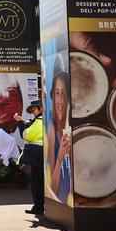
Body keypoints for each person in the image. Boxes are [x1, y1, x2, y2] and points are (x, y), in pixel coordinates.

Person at [15, 99, 44, 215]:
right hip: (40, 155)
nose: (33, 112)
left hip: (37, 156)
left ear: (41, 109)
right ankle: (39, 206)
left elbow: (26, 134)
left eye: (34, 109)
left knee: (37, 182)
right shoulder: (40, 120)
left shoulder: (40, 120)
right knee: (38, 181)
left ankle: (38, 207)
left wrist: (20, 123)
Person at [47, 72, 72, 204]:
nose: (60, 100)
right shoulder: (52, 128)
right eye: (57, 93)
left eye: (64, 93)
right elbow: (52, 189)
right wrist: (60, 157)